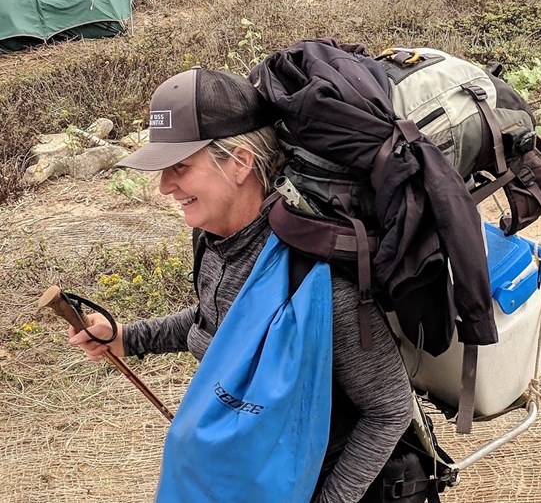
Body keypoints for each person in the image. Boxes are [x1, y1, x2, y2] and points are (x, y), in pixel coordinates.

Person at [67, 67, 413, 502]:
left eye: (179, 167)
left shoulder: (311, 277)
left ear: (240, 163)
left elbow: (388, 410)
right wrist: (125, 338)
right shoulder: (214, 240)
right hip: (250, 473)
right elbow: (217, 326)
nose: (163, 187)